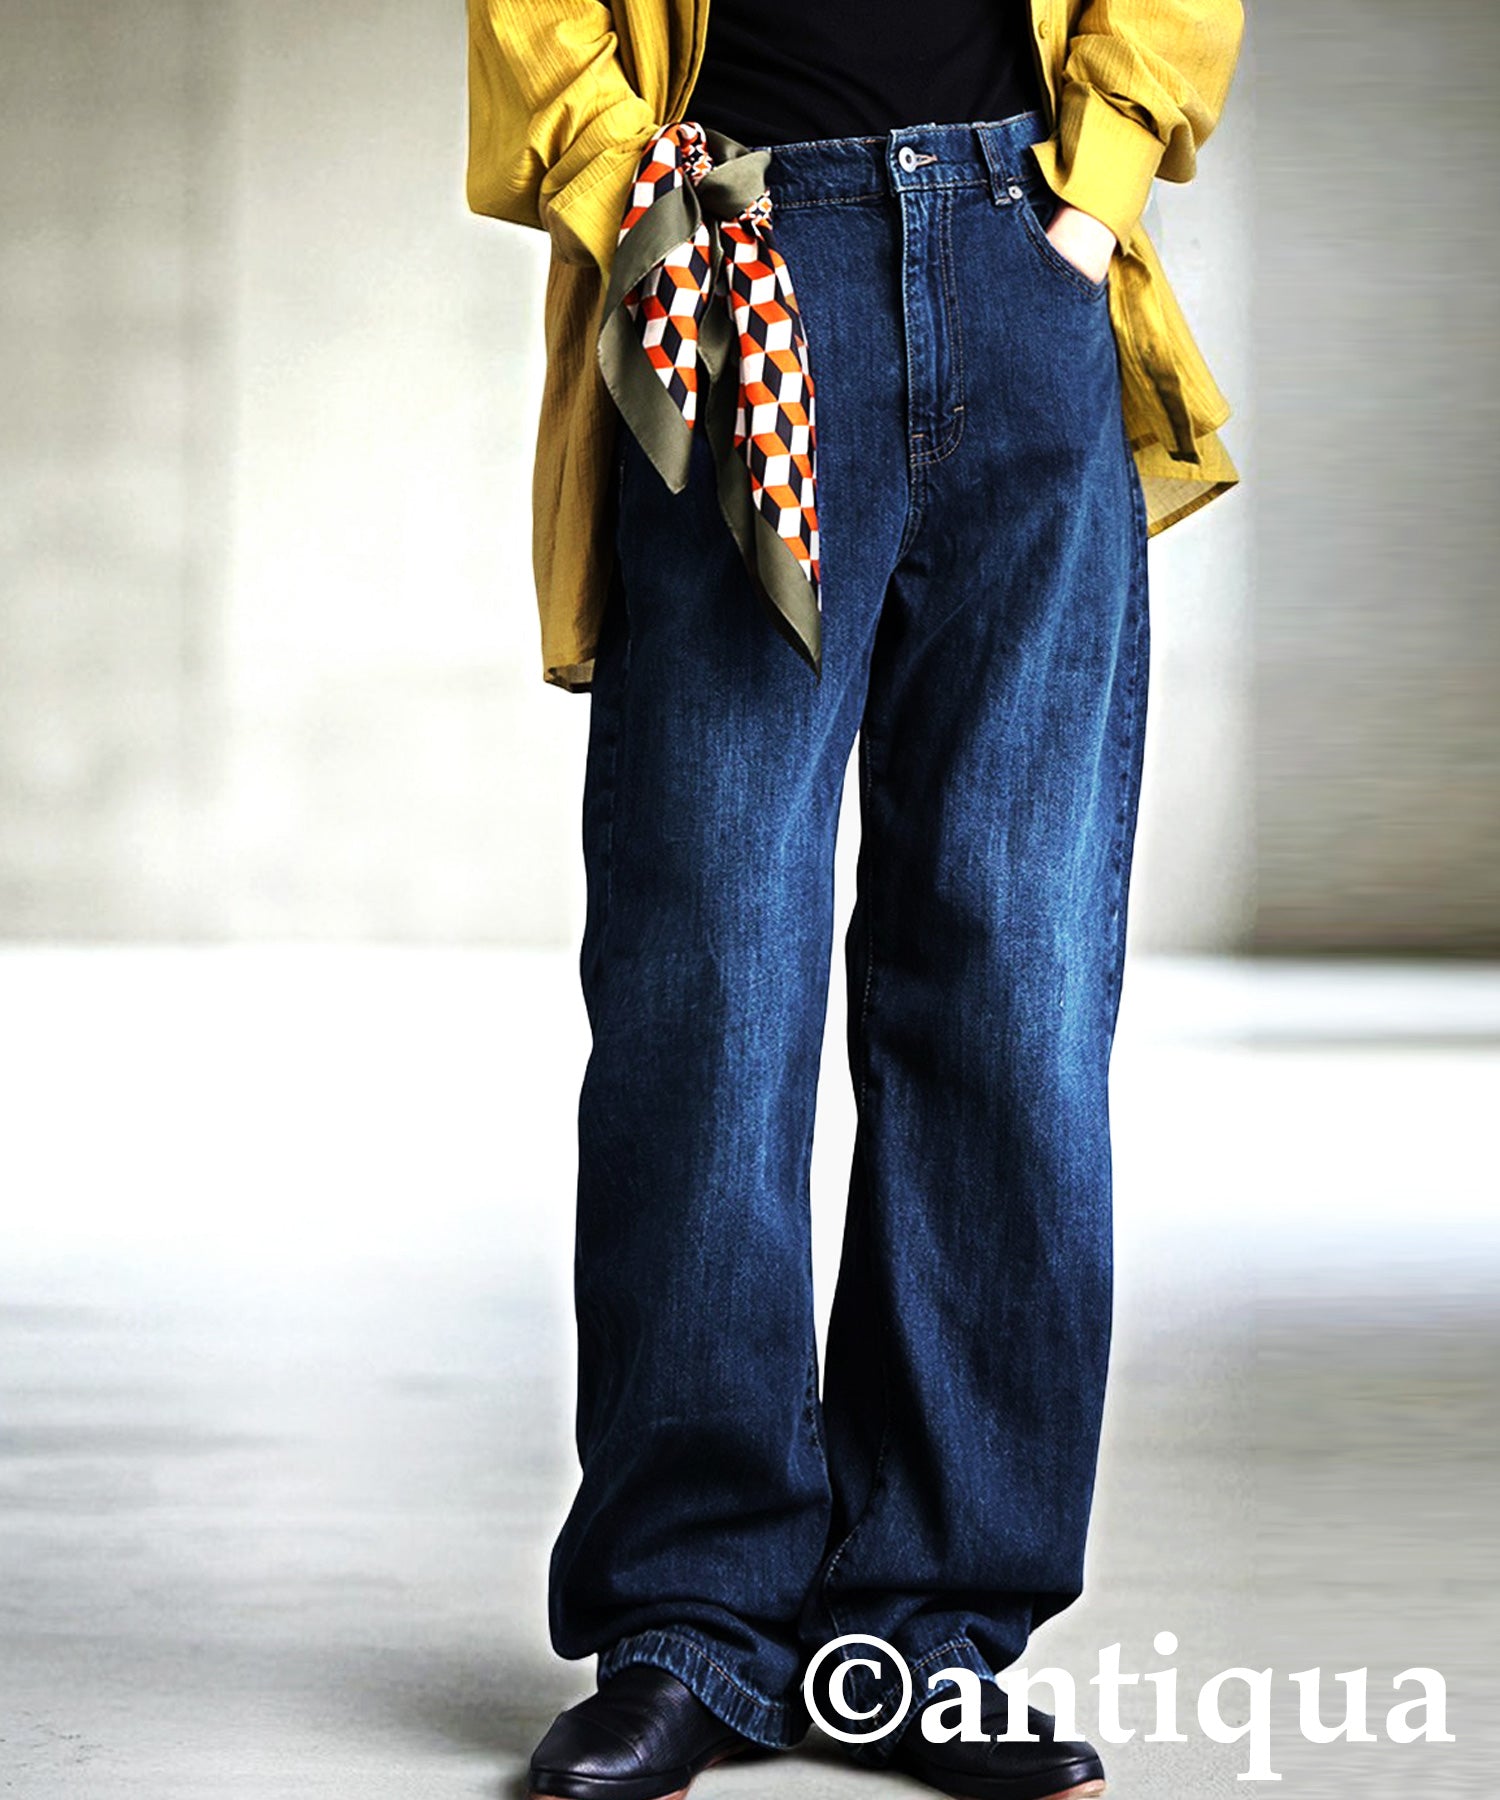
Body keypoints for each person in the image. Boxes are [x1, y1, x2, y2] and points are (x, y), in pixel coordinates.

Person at [465, 4, 1245, 1798]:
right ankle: (690, 1623)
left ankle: (930, 1631)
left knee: (1012, 980)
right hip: (739, 248)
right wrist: (641, 197)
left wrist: (1089, 202)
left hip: (1024, 242)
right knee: (707, 983)